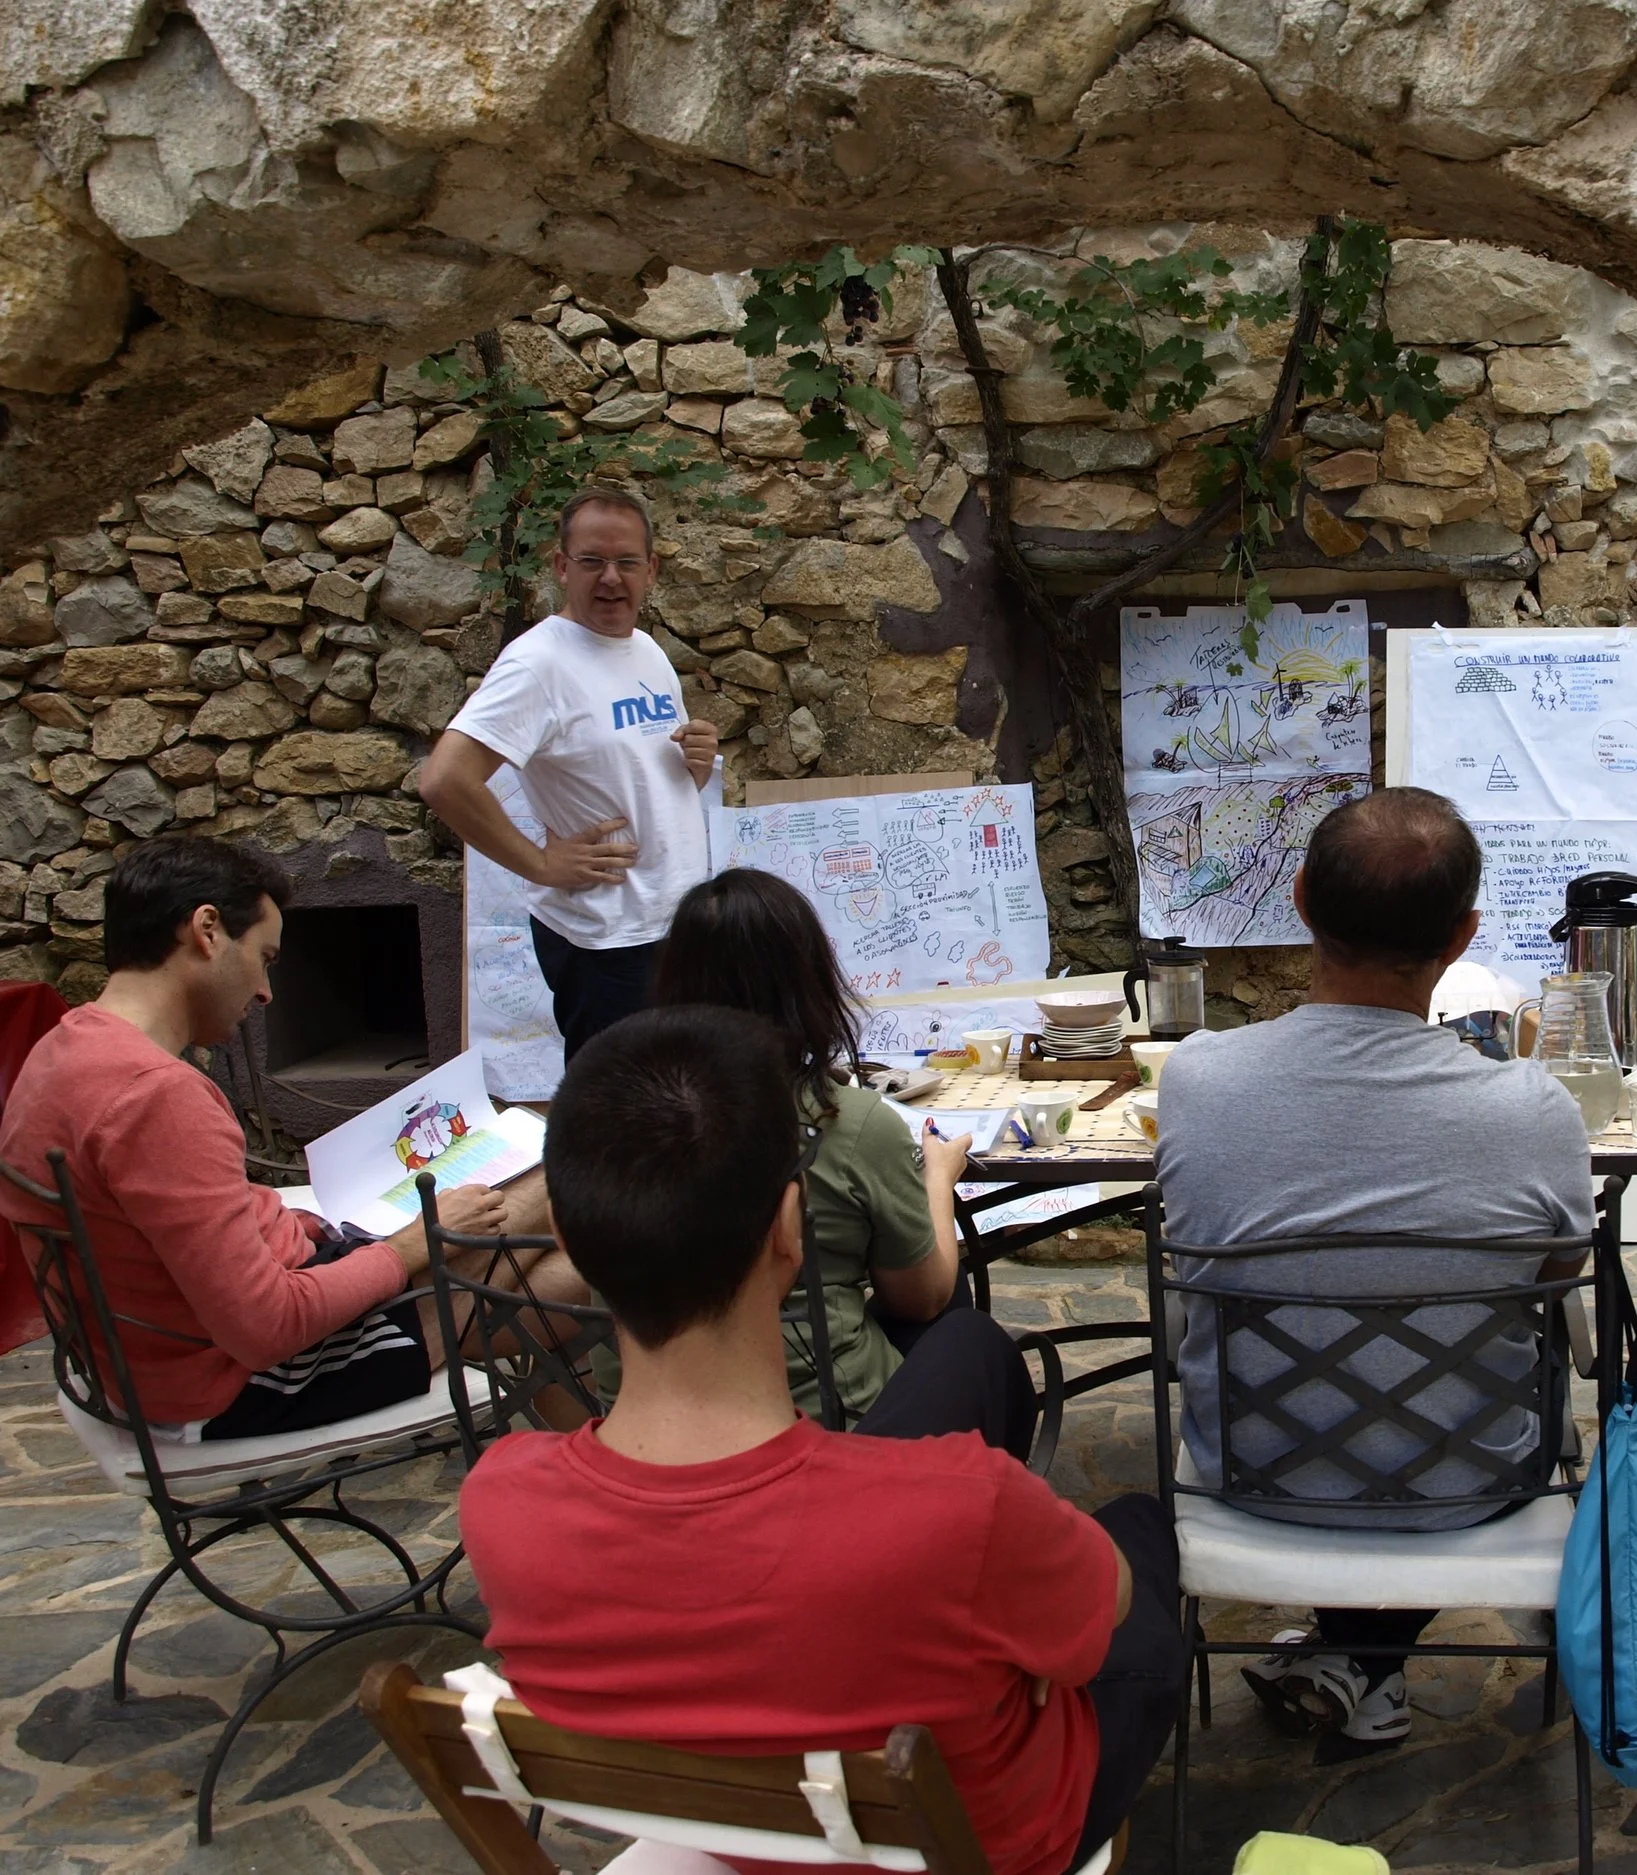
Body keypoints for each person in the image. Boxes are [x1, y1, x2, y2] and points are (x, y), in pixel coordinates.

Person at [459, 1007, 1184, 1875]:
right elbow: (1093, 1623)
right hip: (995, 1841)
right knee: (1141, 1530)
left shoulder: (501, 1501)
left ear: (570, 1241)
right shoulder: (962, 1505)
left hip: (722, 1830)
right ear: (789, 1228)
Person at [1155, 787, 1594, 1753]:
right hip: (1472, 1480)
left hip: (1254, 1473)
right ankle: (1366, 1662)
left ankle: (1353, 1658)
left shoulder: (1198, 1079)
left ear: (1302, 899)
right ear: (1465, 931)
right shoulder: (1533, 1110)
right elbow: (1556, 1276)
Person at [0, 837, 542, 1439]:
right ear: (207, 931)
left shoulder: (64, 1047)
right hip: (240, 1382)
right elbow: (267, 1328)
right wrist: (417, 1244)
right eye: (265, 957)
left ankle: (576, 1456)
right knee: (560, 1188)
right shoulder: (154, 1096)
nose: (265, 992)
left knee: (561, 1252)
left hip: (164, 1358)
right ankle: (595, 1457)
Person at [648, 869, 975, 1422]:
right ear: (809, 982)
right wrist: (937, 1180)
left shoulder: (630, 1117)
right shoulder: (846, 1124)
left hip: (654, 1410)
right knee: (965, 1332)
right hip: (826, 1411)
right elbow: (923, 1298)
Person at [418, 487, 718, 1061]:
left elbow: (644, 781)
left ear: (650, 570)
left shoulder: (647, 651)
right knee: (618, 1113)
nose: (611, 578)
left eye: (627, 562)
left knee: (678, 1099)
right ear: (561, 566)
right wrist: (540, 863)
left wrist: (694, 766)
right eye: (592, 562)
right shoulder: (538, 663)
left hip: (672, 924)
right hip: (603, 940)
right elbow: (444, 779)